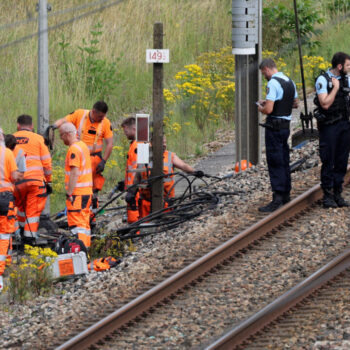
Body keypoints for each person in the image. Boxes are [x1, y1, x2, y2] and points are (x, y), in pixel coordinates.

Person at [52, 101, 113, 216]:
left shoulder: (105, 123)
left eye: (104, 116)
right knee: (78, 184)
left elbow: (110, 143)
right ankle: (78, 209)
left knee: (94, 187)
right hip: (80, 156)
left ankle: (92, 214)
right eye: (100, 116)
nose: (102, 118)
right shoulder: (80, 114)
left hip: (95, 158)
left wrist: (104, 161)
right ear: (94, 112)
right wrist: (53, 127)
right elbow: (64, 121)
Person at [127, 136, 204, 219]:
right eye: (162, 143)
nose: (164, 145)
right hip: (146, 204)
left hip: (165, 203)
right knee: (146, 227)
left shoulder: (170, 156)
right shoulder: (144, 156)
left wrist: (195, 172)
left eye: (165, 142)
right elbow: (137, 177)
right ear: (152, 143)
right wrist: (132, 192)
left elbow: (184, 166)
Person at [257, 58, 299, 212]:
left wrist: (261, 107)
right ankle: (286, 193)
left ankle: (278, 197)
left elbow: (268, 110)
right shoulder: (289, 81)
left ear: (267, 69)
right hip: (285, 126)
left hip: (274, 127)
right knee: (284, 159)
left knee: (275, 161)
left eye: (264, 73)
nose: (264, 76)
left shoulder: (273, 83)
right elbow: (295, 103)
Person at [314, 52, 350, 208]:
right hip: (329, 126)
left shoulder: (347, 80)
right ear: (340, 66)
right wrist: (335, 89)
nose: (349, 68)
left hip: (344, 124)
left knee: (342, 160)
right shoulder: (324, 80)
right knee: (328, 160)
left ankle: (337, 193)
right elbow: (325, 104)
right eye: (348, 65)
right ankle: (327, 196)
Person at [13, 115, 52, 244]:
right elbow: (46, 163)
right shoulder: (39, 139)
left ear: (18, 125)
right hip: (35, 181)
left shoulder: (11, 139)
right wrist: (48, 181)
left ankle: (20, 231)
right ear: (32, 126)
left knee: (20, 208)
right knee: (33, 210)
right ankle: (29, 238)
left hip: (17, 182)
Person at [59, 123, 93, 248]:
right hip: (86, 192)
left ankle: (79, 252)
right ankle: (86, 250)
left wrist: (69, 192)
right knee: (84, 224)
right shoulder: (83, 146)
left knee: (77, 225)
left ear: (67, 134)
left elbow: (74, 172)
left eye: (61, 136)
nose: (61, 139)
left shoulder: (73, 149)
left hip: (77, 193)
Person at [0, 128, 20, 291]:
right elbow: (14, 175)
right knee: (4, 233)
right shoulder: (7, 153)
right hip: (4, 198)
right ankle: (2, 267)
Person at [119, 117, 139, 223]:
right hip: (133, 188)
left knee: (135, 218)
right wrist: (125, 182)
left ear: (134, 129)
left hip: (136, 190)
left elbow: (140, 168)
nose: (125, 134)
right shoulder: (133, 145)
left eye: (126, 131)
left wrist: (132, 189)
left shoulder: (138, 145)